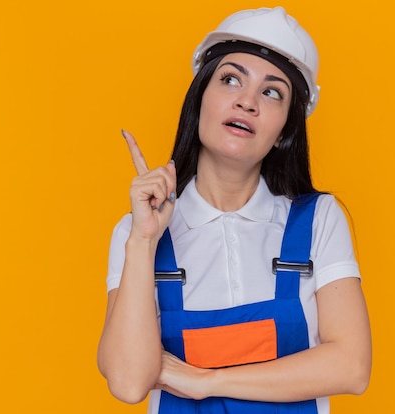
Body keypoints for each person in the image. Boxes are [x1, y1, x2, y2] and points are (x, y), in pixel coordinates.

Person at [97, 6, 371, 413]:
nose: (247, 102)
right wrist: (143, 241)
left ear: (285, 132)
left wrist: (206, 380)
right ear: (199, 100)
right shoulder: (140, 231)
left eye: (272, 91)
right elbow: (127, 380)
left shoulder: (318, 220)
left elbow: (352, 366)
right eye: (230, 80)